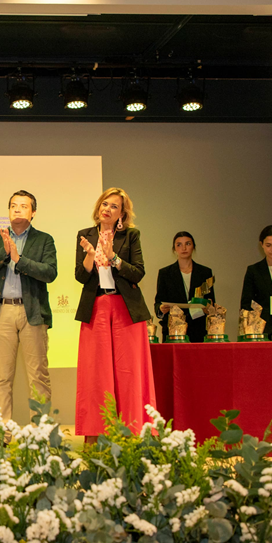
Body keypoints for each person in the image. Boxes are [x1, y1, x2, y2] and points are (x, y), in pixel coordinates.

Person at [74, 187, 156, 442]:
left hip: (124, 308)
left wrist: (113, 257)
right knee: (95, 373)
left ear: (122, 214)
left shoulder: (130, 235)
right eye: (104, 204)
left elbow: (138, 272)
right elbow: (80, 276)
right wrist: (91, 256)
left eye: (114, 206)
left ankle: (132, 432)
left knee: (128, 372)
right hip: (96, 307)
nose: (107, 209)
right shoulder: (85, 235)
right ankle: (94, 434)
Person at [0, 190, 57, 424]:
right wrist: (5, 251)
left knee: (38, 377)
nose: (18, 209)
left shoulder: (44, 239)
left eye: (24, 206)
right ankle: (2, 431)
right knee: (2, 377)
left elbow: (50, 272)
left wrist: (19, 260)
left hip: (32, 312)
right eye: (13, 205)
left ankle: (40, 433)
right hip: (2, 312)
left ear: (33, 213)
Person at [153, 232, 216, 343]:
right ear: (174, 249)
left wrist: (209, 307)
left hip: (198, 328)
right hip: (173, 329)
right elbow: (158, 302)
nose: (184, 248)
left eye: (188, 244)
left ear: (193, 247)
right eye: (179, 245)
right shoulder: (165, 273)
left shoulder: (205, 272)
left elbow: (212, 302)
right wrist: (161, 308)